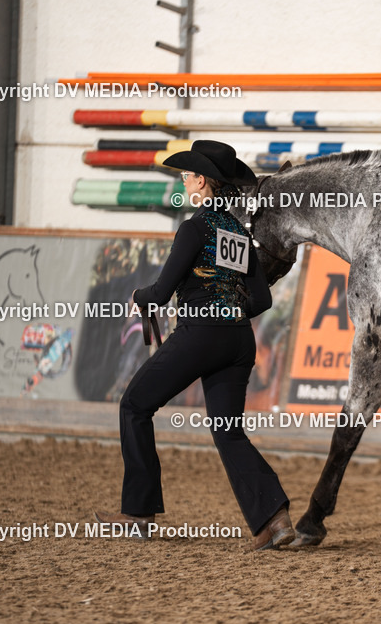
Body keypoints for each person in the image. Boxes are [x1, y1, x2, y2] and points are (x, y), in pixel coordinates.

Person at [94, 140, 294, 551]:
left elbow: (162, 291)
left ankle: (138, 515)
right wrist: (226, 298)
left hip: (201, 334)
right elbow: (261, 300)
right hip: (238, 339)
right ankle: (275, 519)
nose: (184, 181)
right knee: (227, 431)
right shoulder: (238, 232)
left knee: (134, 406)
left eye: (186, 175)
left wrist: (140, 296)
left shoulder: (194, 227)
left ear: (201, 181)